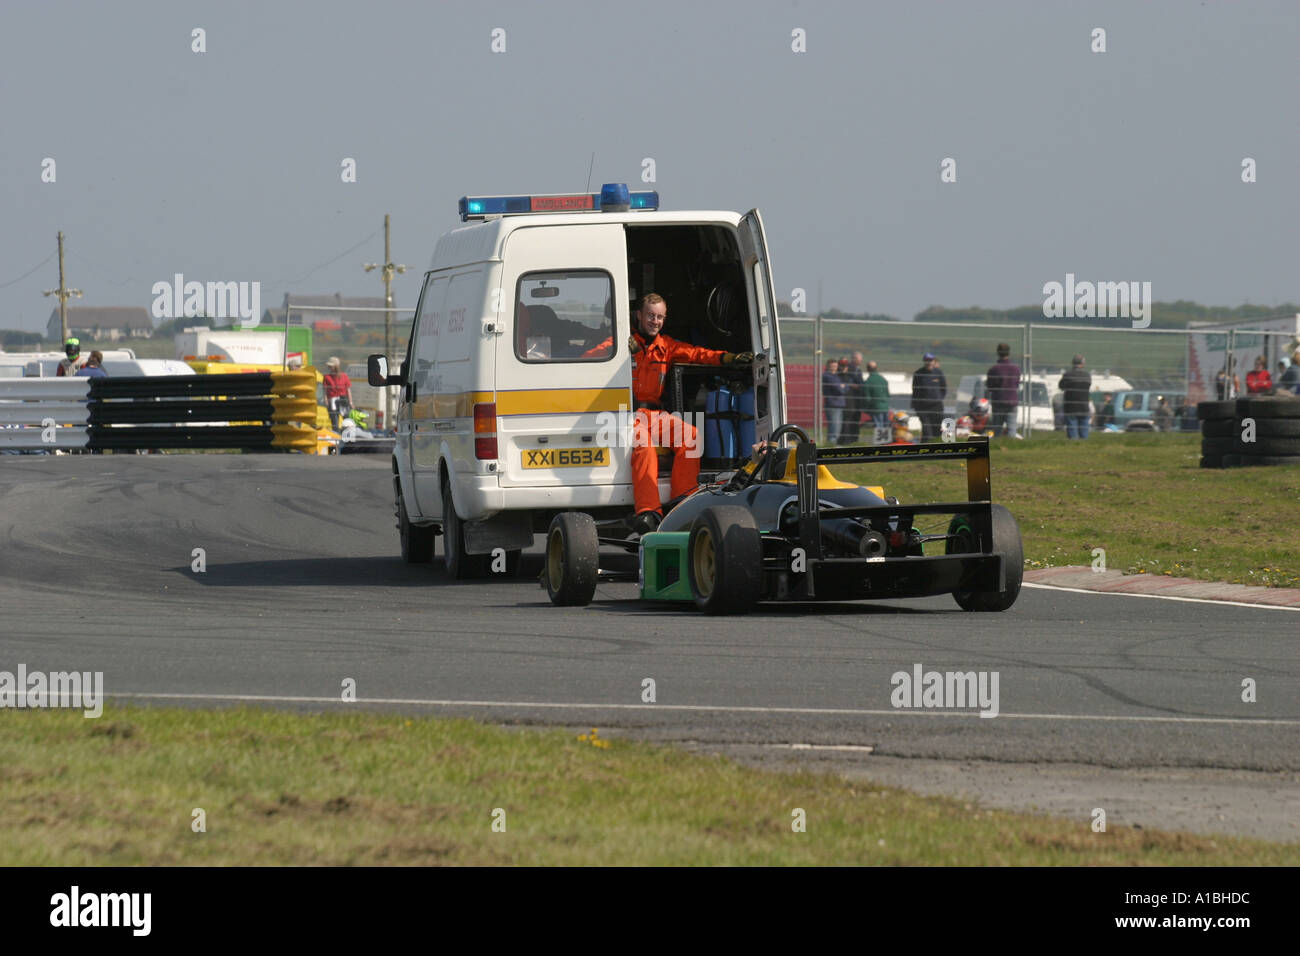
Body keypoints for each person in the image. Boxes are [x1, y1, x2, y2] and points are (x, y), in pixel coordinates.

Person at [626, 294, 752, 534]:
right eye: (651, 315)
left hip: (655, 414)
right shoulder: (623, 342)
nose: (655, 321)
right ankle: (648, 513)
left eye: (660, 317)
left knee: (691, 436)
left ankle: (682, 505)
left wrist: (728, 358)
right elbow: (593, 353)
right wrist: (620, 346)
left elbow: (697, 354)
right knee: (644, 447)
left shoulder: (667, 346)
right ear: (639, 316)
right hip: (627, 414)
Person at [985, 343, 1020, 438]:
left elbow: (990, 386)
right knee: (1012, 428)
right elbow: (1016, 384)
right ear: (1009, 352)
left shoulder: (993, 369)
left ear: (998, 353)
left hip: (998, 401)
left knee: (997, 428)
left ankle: (997, 446)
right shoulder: (1016, 369)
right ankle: (1012, 447)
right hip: (1012, 401)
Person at [910, 352, 946, 442]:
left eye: (930, 360)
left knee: (937, 429)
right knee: (927, 431)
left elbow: (944, 388)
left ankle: (938, 449)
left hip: (936, 406)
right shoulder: (918, 374)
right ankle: (925, 451)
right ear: (924, 361)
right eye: (927, 360)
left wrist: (938, 399)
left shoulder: (939, 373)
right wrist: (917, 406)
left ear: (934, 361)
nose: (929, 362)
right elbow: (915, 391)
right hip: (923, 407)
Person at [1058, 354, 1093, 439]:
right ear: (1082, 364)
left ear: (1072, 363)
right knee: (1084, 430)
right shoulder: (1087, 375)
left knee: (1072, 430)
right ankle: (1084, 446)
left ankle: (1073, 446)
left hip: (1070, 406)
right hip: (1084, 406)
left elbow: (1061, 386)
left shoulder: (1067, 375)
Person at [839, 352, 866, 444]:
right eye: (858, 359)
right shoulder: (849, 369)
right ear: (853, 359)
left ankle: (854, 439)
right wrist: (856, 385)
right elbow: (848, 382)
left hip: (857, 399)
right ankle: (847, 440)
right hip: (850, 398)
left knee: (855, 418)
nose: (860, 361)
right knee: (849, 418)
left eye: (860, 359)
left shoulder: (857, 370)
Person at [322, 356, 353, 431]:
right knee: (334, 422)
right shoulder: (327, 377)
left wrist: (351, 402)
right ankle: (336, 437)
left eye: (331, 366)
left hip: (343, 400)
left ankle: (348, 436)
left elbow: (348, 390)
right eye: (329, 366)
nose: (329, 367)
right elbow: (325, 391)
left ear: (336, 366)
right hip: (332, 401)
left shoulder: (344, 376)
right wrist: (326, 402)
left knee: (347, 420)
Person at [862, 360, 890, 441]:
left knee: (879, 427)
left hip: (876, 407)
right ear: (876, 368)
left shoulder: (868, 382)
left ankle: (880, 444)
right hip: (885, 406)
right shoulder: (883, 380)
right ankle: (886, 443)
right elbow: (887, 394)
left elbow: (867, 399)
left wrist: (866, 409)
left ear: (867, 369)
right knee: (886, 426)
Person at [822, 359, 846, 449]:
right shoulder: (827, 376)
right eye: (832, 366)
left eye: (835, 366)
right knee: (834, 426)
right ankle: (831, 445)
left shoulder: (836, 376)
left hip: (839, 404)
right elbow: (839, 389)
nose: (834, 368)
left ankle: (833, 444)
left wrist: (843, 387)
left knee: (838, 426)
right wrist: (842, 387)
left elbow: (844, 388)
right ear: (828, 366)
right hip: (832, 404)